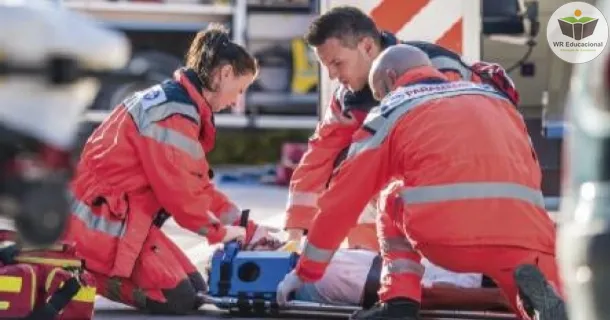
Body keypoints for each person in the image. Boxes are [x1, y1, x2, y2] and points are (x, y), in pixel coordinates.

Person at [276, 44, 566, 320]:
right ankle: (540, 299)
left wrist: (305, 272)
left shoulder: (393, 109)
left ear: (390, 80)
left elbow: (343, 198)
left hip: (448, 239)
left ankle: (398, 300)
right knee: (525, 287)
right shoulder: (496, 100)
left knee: (391, 196)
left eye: (379, 93)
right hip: (526, 238)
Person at [63, 24, 280, 315]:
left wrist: (247, 230)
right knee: (179, 299)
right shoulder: (174, 115)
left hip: (121, 218)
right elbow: (182, 196)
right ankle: (81, 271)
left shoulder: (179, 105)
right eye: (239, 89)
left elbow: (199, 188)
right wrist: (219, 232)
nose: (235, 101)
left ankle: (88, 265)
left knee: (198, 291)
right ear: (224, 73)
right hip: (101, 224)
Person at [283, 6, 520, 253]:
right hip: (445, 188)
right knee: (349, 169)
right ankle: (370, 261)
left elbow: (453, 148)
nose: (332, 75)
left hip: (476, 184)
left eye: (337, 63)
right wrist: (295, 234)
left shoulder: (440, 71)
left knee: (369, 174)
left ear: (366, 47)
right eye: (326, 66)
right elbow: (320, 156)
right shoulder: (348, 98)